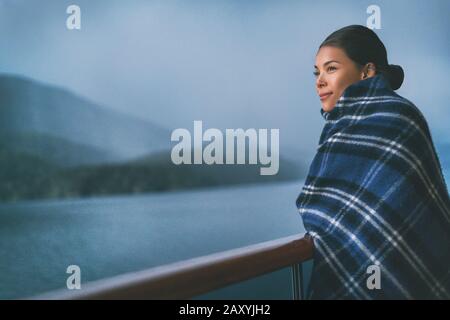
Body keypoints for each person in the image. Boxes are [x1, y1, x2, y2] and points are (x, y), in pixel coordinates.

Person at [296, 25, 450, 299]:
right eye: (317, 72)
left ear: (367, 71)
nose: (319, 81)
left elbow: (411, 209)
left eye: (331, 69)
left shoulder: (400, 117)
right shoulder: (338, 128)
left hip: (406, 273)